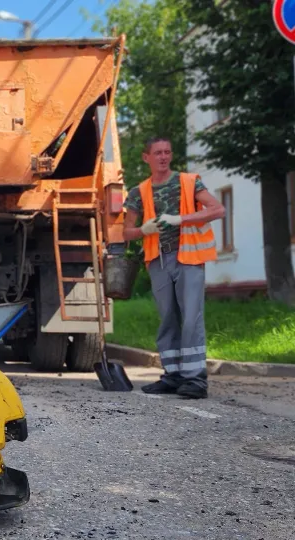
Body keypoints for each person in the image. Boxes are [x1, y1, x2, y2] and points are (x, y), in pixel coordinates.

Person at [122, 136, 224, 400]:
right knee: (168, 318)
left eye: (167, 152)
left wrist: (180, 219)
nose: (163, 157)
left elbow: (217, 210)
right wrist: (143, 230)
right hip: (159, 260)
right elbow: (125, 232)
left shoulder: (189, 182)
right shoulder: (138, 192)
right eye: (158, 153)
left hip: (188, 257)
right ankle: (173, 376)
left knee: (191, 318)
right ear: (146, 157)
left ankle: (195, 380)